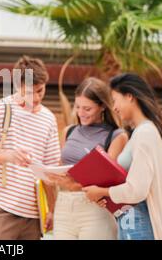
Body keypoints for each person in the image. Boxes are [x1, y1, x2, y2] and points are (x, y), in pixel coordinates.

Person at [0, 56, 61, 240]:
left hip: (34, 216)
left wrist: (52, 210)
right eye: (29, 92)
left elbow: (50, 173)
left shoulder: (49, 118)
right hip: (0, 210)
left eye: (40, 91)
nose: (36, 98)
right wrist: (9, 155)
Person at [83, 73, 162, 240]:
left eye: (115, 100)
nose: (114, 107)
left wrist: (101, 191)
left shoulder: (145, 133)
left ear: (129, 96)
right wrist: (105, 195)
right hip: (132, 220)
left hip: (141, 223)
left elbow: (137, 190)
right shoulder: (142, 131)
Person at [47, 77, 128, 240]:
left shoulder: (116, 136)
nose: (81, 113)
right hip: (64, 206)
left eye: (87, 109)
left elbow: (108, 180)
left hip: (95, 210)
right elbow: (61, 165)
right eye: (77, 107)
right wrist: (52, 175)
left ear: (102, 106)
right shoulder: (69, 131)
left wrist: (73, 184)